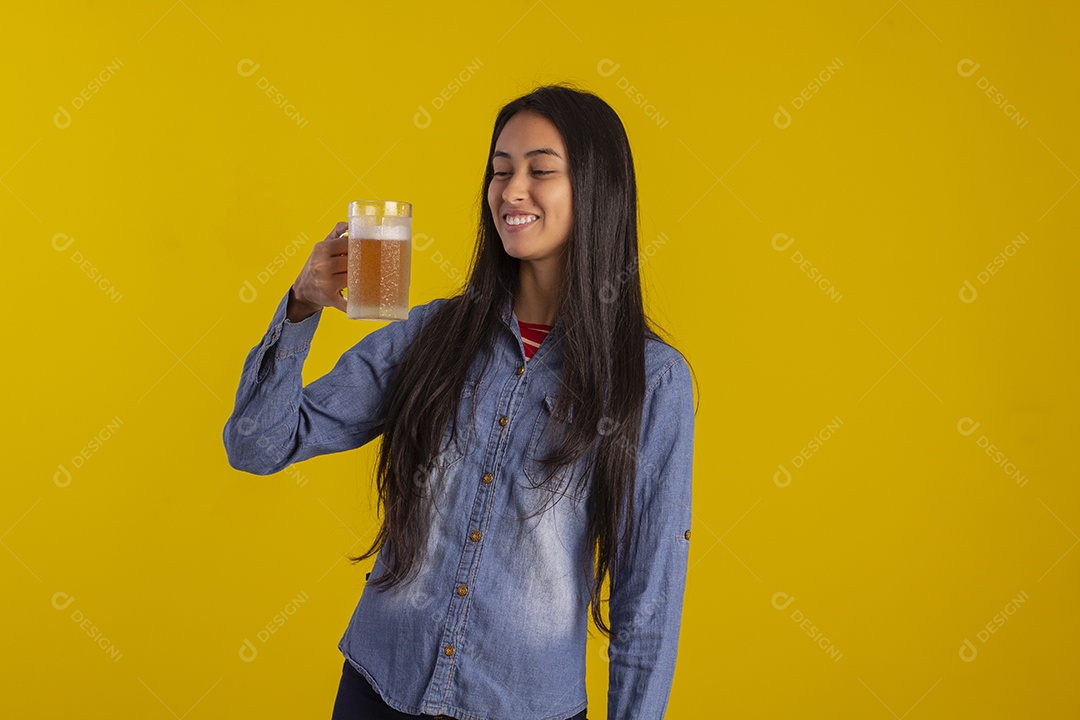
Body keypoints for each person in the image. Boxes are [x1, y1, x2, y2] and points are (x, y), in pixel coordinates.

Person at [223, 84, 696, 720]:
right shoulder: (431, 334)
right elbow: (257, 446)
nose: (512, 191)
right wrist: (301, 307)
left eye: (540, 171)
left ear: (597, 190)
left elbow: (648, 601)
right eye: (500, 172)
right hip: (378, 691)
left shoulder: (651, 381)